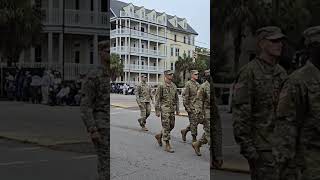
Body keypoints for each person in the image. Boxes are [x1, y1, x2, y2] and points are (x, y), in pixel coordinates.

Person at [232, 26, 288, 180]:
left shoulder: (281, 73)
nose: (280, 44)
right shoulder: (249, 72)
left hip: (281, 146)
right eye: (274, 41)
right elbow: (241, 114)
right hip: (261, 148)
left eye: (280, 41)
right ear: (262, 44)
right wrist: (248, 148)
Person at [273, 26, 320, 180]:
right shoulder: (298, 81)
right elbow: (286, 128)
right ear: (313, 49)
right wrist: (286, 169)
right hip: (309, 165)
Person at [80, 40, 109, 180]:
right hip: (101, 126)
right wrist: (92, 129)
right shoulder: (94, 75)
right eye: (108, 51)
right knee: (106, 167)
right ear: (101, 53)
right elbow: (86, 105)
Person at [154, 70, 180, 153]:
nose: (171, 75)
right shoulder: (161, 86)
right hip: (164, 109)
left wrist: (177, 109)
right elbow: (157, 98)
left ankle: (159, 135)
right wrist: (157, 110)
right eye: (169, 74)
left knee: (172, 125)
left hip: (172, 109)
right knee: (166, 126)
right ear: (165, 75)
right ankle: (167, 145)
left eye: (172, 74)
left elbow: (177, 99)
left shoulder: (174, 86)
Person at [181, 70, 200, 142]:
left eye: (197, 74)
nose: (197, 75)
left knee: (196, 122)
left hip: (197, 107)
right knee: (194, 123)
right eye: (195, 74)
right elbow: (185, 97)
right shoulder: (188, 84)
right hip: (191, 107)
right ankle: (194, 139)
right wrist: (187, 108)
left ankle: (185, 131)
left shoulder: (198, 84)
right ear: (192, 75)